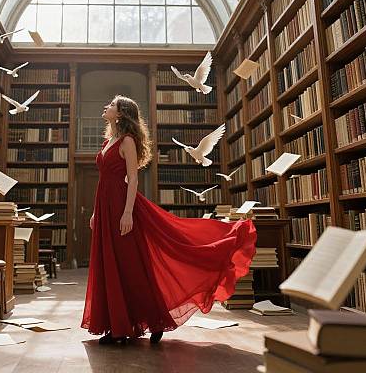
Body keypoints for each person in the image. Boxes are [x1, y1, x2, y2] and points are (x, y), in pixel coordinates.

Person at [81, 95, 256, 344]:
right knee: (110, 265)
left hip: (123, 207)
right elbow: (104, 181)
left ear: (120, 114)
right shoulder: (109, 140)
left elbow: (132, 178)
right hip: (106, 207)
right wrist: (97, 212)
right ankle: (114, 326)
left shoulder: (127, 141)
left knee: (128, 266)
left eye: (111, 105)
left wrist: (128, 212)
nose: (106, 106)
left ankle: (148, 322)